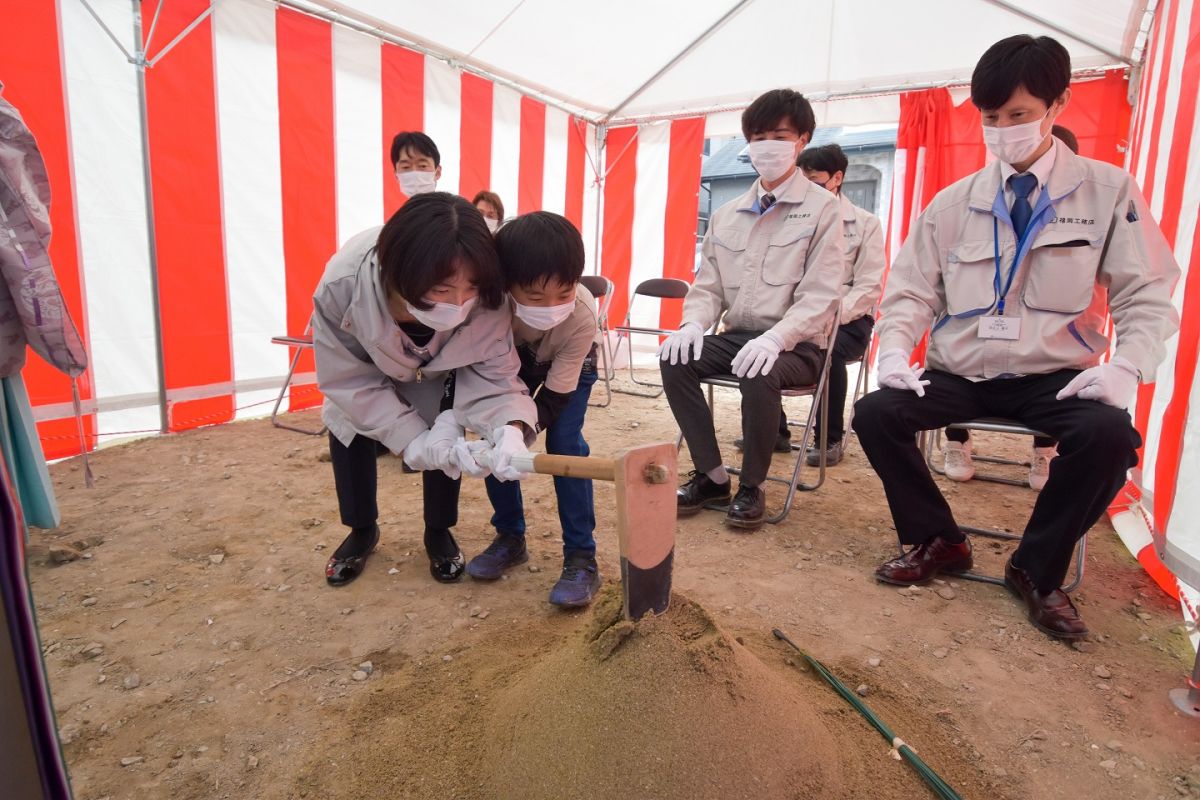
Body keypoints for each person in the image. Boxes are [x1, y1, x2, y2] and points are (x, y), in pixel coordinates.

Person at [852, 36, 1179, 640]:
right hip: (962, 373)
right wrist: (894, 349)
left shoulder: (1108, 193)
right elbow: (910, 292)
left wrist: (1126, 366)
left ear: (1058, 104)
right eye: (991, 118)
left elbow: (1146, 292)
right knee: (875, 413)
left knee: (1109, 437)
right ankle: (939, 539)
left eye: (1019, 116)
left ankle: (1035, 568)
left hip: (1052, 377)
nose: (1003, 131)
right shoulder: (952, 205)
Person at [312, 192, 536, 587]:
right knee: (351, 433)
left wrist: (511, 425)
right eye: (441, 289)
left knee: (444, 445)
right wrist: (407, 437)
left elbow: (496, 372)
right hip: (367, 377)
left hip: (436, 379)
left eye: (470, 289)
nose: (460, 303)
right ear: (399, 275)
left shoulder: (488, 295)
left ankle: (438, 531)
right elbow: (348, 378)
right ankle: (361, 529)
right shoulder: (342, 285)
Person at [658, 89, 844, 531]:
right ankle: (713, 474)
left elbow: (822, 294)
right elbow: (708, 286)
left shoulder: (823, 210)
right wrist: (691, 325)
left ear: (802, 139)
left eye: (779, 134)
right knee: (673, 358)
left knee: (759, 371)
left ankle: (753, 485)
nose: (767, 145)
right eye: (758, 135)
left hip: (796, 347)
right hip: (737, 336)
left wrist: (779, 337)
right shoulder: (727, 214)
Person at [465, 212, 603, 606]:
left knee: (565, 445)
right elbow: (489, 385)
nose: (552, 306)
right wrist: (506, 431)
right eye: (536, 297)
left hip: (567, 370)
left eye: (563, 292)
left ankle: (581, 557)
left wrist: (521, 433)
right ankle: (509, 537)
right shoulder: (488, 308)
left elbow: (557, 395)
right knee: (495, 438)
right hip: (510, 365)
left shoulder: (582, 314)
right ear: (507, 283)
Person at [941, 124, 1079, 490]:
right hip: (970, 359)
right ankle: (956, 441)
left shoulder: (1092, 208)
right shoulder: (962, 204)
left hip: (1043, 365)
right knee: (881, 411)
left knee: (1109, 432)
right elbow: (921, 287)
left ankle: (1045, 448)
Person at [391, 131, 442, 196]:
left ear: (437, 172)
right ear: (396, 175)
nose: (414, 172)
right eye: (405, 167)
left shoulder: (453, 205)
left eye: (423, 166)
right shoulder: (401, 206)